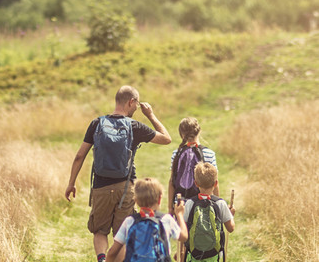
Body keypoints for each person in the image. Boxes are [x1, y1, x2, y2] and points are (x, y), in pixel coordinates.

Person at [65, 85, 172, 262]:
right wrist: (150, 115)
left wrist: (71, 183)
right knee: (122, 234)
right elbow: (166, 138)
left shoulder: (97, 123)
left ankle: (101, 259)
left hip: (100, 187)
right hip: (125, 188)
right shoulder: (135, 126)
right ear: (131, 102)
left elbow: (79, 156)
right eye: (136, 105)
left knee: (100, 231)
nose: (137, 109)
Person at [106, 177, 188, 262]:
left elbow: (112, 252)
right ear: (160, 199)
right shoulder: (166, 219)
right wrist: (179, 215)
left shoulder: (130, 221)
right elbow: (184, 236)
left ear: (136, 200)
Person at [183, 162, 235, 262]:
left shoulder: (190, 203)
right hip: (214, 255)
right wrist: (231, 215)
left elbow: (184, 230)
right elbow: (231, 228)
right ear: (216, 184)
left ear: (196, 183)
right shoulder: (220, 203)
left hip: (194, 255)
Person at [168, 117, 218, 216]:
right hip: (202, 204)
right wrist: (217, 204)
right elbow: (215, 181)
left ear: (181, 134)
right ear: (199, 131)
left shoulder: (176, 154)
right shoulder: (209, 153)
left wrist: (170, 207)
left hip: (180, 205)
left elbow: (172, 181)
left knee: (182, 230)